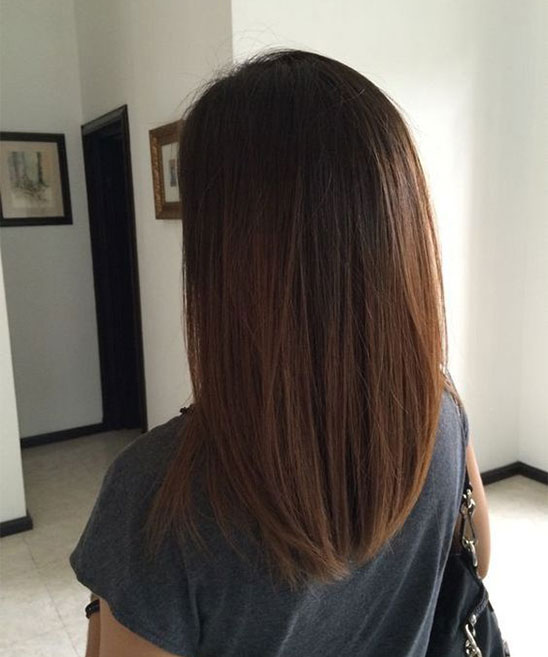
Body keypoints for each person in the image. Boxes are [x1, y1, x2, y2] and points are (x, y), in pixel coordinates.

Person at [69, 48, 491, 657]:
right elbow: (478, 557)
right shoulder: (439, 405)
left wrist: (113, 593)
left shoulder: (158, 495)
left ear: (223, 256)